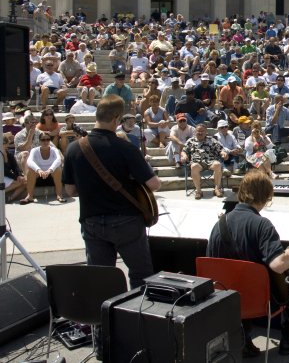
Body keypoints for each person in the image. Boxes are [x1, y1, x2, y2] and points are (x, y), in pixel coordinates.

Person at [206, 170, 289, 357]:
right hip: (257, 298)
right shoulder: (261, 224)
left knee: (241, 275)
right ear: (266, 197)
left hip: (225, 296)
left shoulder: (219, 224)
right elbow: (278, 265)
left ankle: (245, 337)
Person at [63, 95, 161, 288]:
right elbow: (153, 184)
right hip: (126, 221)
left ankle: (105, 317)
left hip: (92, 222)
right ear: (117, 119)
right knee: (141, 276)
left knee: (101, 280)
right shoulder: (125, 148)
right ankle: (135, 316)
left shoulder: (74, 149)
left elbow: (70, 190)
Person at [181, 123, 228, 199]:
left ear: (206, 131)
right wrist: (184, 156)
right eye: (198, 131)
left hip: (211, 161)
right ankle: (198, 191)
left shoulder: (212, 140)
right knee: (194, 166)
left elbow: (221, 149)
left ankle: (217, 189)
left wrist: (223, 153)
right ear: (195, 132)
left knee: (218, 165)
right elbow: (184, 151)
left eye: (202, 131)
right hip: (197, 162)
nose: (200, 132)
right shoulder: (190, 141)